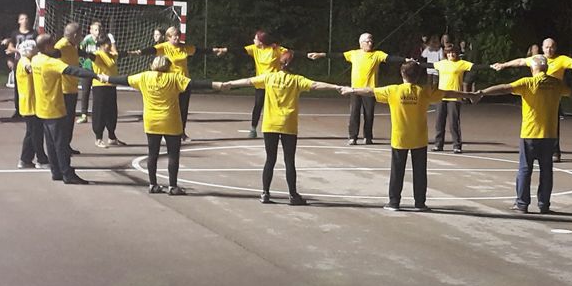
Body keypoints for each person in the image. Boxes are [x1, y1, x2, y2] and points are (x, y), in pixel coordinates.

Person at [342, 61, 478, 211]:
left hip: (400, 138)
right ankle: (420, 203)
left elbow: (370, 91)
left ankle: (394, 202)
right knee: (420, 172)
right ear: (418, 75)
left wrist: (352, 89)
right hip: (419, 138)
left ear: (402, 74)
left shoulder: (393, 90)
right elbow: (448, 93)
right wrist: (468, 94)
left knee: (397, 171)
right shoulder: (424, 91)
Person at [224, 50, 345, 205]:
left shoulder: (269, 77)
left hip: (270, 124)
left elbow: (248, 81)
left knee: (270, 159)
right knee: (289, 160)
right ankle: (293, 195)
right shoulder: (296, 80)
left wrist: (230, 83)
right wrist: (335, 87)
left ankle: (265, 193)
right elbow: (315, 85)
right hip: (288, 124)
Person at [481, 54, 572, 213]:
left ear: (532, 69)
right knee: (546, 171)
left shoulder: (527, 83)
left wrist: (482, 92)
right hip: (549, 134)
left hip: (530, 133)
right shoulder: (556, 84)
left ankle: (522, 204)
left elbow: (504, 88)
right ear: (546, 68)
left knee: (525, 169)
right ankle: (544, 204)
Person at [101, 56, 223, 195]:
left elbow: (124, 80)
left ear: (152, 65)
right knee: (173, 154)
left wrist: (106, 78)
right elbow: (195, 84)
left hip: (152, 121)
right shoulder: (174, 78)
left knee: (152, 153)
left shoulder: (144, 77)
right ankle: (172, 186)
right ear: (168, 66)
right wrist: (216, 84)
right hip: (171, 120)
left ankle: (153, 184)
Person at [491, 37, 572, 162]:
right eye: (547, 47)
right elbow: (521, 61)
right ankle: (534, 150)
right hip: (536, 96)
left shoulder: (561, 59)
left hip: (553, 96)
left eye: (552, 47)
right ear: (543, 48)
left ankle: (555, 152)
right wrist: (503, 65)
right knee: (533, 123)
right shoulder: (538, 60)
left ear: (555, 48)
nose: (549, 50)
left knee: (552, 124)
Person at [308, 32, 409, 145]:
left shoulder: (377, 54)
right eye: (367, 41)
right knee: (354, 113)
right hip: (355, 90)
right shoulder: (354, 54)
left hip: (369, 91)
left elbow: (390, 58)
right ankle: (353, 137)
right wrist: (321, 55)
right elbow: (338, 56)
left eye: (371, 41)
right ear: (361, 43)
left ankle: (368, 137)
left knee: (369, 114)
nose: (370, 43)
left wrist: (405, 60)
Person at [128, 26, 226, 141]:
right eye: (175, 36)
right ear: (168, 37)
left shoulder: (184, 48)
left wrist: (216, 50)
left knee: (183, 109)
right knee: (169, 109)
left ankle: (181, 133)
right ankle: (165, 133)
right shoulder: (164, 47)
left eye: (178, 36)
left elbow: (200, 50)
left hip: (183, 82)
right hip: (170, 83)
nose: (177, 38)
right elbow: (151, 50)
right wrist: (138, 52)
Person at [29, 34, 97, 184]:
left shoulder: (35, 60)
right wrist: (96, 75)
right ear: (47, 46)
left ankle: (56, 171)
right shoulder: (50, 63)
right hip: (54, 108)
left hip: (42, 108)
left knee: (51, 143)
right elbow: (73, 70)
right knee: (61, 144)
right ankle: (67, 173)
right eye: (52, 44)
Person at [432, 44, 489, 153]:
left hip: (455, 97)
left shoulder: (461, 63)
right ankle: (438, 145)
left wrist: (490, 66)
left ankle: (457, 145)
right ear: (446, 54)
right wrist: (413, 62)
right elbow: (427, 65)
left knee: (453, 123)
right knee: (439, 122)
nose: (451, 54)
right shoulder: (441, 63)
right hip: (441, 96)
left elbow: (476, 67)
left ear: (457, 53)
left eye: (453, 52)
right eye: (448, 52)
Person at [14, 40, 49, 169]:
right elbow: (28, 68)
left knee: (31, 132)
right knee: (36, 133)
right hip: (30, 103)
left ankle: (25, 159)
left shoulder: (27, 60)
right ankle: (41, 159)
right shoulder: (25, 61)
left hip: (32, 102)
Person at [88, 35, 126, 148]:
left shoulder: (112, 55)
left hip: (111, 86)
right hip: (100, 86)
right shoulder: (97, 55)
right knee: (99, 112)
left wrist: (136, 52)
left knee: (112, 112)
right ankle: (98, 138)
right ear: (100, 45)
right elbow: (89, 55)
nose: (109, 45)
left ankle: (112, 137)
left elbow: (121, 54)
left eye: (109, 43)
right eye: (106, 44)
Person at [54, 22, 84, 155]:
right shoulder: (61, 46)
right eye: (80, 34)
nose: (81, 37)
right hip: (63, 89)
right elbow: (51, 57)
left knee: (70, 120)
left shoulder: (73, 46)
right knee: (63, 121)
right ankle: (60, 147)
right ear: (75, 35)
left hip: (72, 88)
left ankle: (66, 145)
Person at [5, 13, 37, 119]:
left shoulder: (34, 33)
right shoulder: (15, 34)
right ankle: (18, 110)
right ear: (19, 21)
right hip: (19, 63)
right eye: (22, 19)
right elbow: (10, 47)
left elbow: (38, 46)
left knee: (32, 87)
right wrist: (18, 51)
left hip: (31, 63)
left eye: (26, 18)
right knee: (18, 88)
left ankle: (33, 108)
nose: (25, 20)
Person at [76, 20, 106, 124]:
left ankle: (98, 114)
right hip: (87, 69)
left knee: (99, 92)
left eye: (100, 30)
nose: (98, 32)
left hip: (99, 70)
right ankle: (84, 114)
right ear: (91, 30)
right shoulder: (87, 40)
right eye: (96, 30)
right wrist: (83, 63)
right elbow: (79, 52)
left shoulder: (103, 41)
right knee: (85, 92)